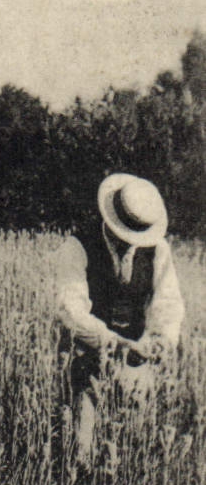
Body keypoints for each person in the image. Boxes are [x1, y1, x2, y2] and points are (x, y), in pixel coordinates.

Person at [54, 173, 185, 468]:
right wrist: (113, 343)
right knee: (81, 449)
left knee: (128, 448)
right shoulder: (77, 246)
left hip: (136, 361)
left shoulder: (158, 250)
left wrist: (158, 341)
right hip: (86, 355)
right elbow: (69, 310)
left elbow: (168, 303)